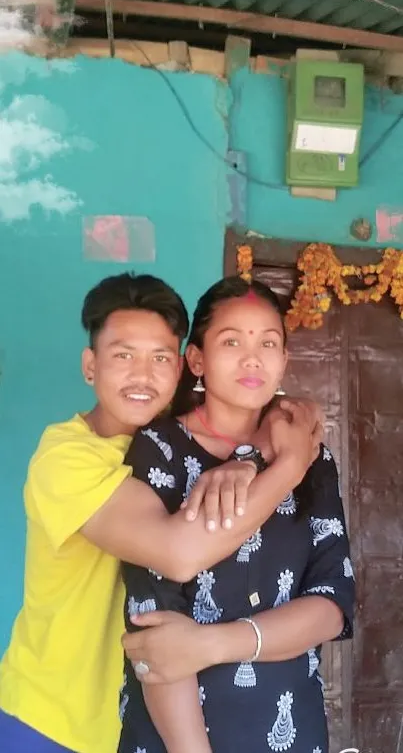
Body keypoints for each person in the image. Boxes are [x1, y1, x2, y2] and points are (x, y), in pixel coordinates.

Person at [0, 273, 321, 753]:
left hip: (137, 727)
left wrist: (257, 446)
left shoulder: (177, 444)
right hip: (54, 721)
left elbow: (287, 408)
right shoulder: (68, 456)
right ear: (91, 366)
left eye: (160, 358)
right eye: (123, 355)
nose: (142, 376)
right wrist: (289, 464)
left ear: (183, 367)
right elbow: (177, 553)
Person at [119, 276, 355, 753]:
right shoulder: (158, 450)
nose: (253, 358)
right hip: (179, 738)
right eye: (232, 341)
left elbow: (333, 603)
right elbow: (155, 633)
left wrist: (216, 643)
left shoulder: (311, 459)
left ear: (285, 360)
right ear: (197, 360)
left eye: (269, 343)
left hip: (292, 728)